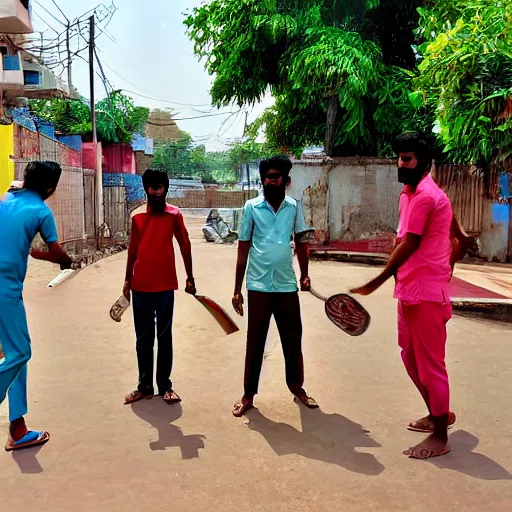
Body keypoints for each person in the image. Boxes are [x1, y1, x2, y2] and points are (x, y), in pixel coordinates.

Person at [350, 132, 469, 459]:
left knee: (430, 365)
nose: (400, 164)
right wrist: (459, 236)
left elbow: (411, 243)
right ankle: (437, 413)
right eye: (399, 158)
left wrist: (377, 279)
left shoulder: (427, 197)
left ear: (425, 163)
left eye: (407, 159)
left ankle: (440, 434)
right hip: (410, 290)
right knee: (409, 356)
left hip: (428, 294)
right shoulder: (412, 192)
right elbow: (446, 216)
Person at [232, 155, 316, 417]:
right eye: (267, 177)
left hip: (286, 286)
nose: (270, 181)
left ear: (286, 181)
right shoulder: (251, 208)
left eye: (275, 177)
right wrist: (237, 289)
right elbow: (243, 247)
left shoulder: (294, 207)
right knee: (254, 343)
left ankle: (297, 388)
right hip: (257, 286)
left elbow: (301, 241)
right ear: (262, 180)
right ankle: (248, 395)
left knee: (293, 340)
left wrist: (304, 274)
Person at [0, 161, 72, 451]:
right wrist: (64, 260)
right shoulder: (42, 211)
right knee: (21, 351)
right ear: (51, 188)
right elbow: (56, 252)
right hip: (5, 291)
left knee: (16, 353)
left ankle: (18, 427)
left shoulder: (6, 199)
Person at [123, 169, 196, 406]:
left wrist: (190, 277)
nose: (156, 191)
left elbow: (184, 245)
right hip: (140, 285)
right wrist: (126, 280)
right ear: (146, 189)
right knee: (143, 338)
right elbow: (132, 250)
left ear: (165, 188)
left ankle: (165, 386)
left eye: (160, 187)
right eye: (152, 187)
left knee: (164, 337)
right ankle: (144, 386)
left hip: (165, 285)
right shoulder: (136, 216)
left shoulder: (174, 215)